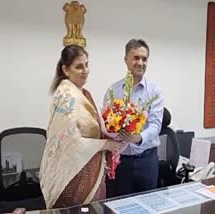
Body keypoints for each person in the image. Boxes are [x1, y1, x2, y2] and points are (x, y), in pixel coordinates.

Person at [40, 45, 124, 208]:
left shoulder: (83, 93)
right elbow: (70, 142)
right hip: (74, 171)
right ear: (65, 69)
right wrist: (107, 144)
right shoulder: (66, 96)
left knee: (93, 210)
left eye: (87, 65)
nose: (85, 70)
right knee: (80, 210)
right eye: (79, 67)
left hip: (91, 163)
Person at [104, 39, 164, 197]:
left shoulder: (155, 90)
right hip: (120, 161)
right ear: (126, 60)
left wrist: (138, 138)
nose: (141, 62)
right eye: (136, 57)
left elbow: (156, 125)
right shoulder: (113, 90)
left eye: (144, 59)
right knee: (120, 205)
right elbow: (105, 123)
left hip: (147, 160)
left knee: (148, 205)